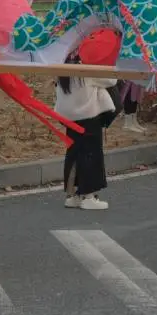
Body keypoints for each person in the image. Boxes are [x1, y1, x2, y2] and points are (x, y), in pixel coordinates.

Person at [55, 42, 117, 210]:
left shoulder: (61, 64)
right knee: (91, 154)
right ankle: (89, 196)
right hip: (88, 116)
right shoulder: (87, 68)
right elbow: (111, 80)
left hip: (69, 118)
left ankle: (72, 195)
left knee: (73, 154)